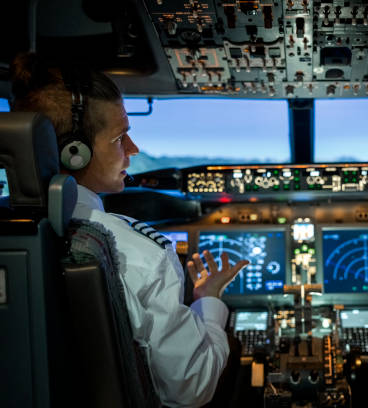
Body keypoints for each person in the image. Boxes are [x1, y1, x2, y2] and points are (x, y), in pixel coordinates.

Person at [9, 52, 248, 407]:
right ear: (75, 152)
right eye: (121, 137)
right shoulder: (137, 253)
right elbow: (192, 388)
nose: (133, 150)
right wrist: (208, 302)